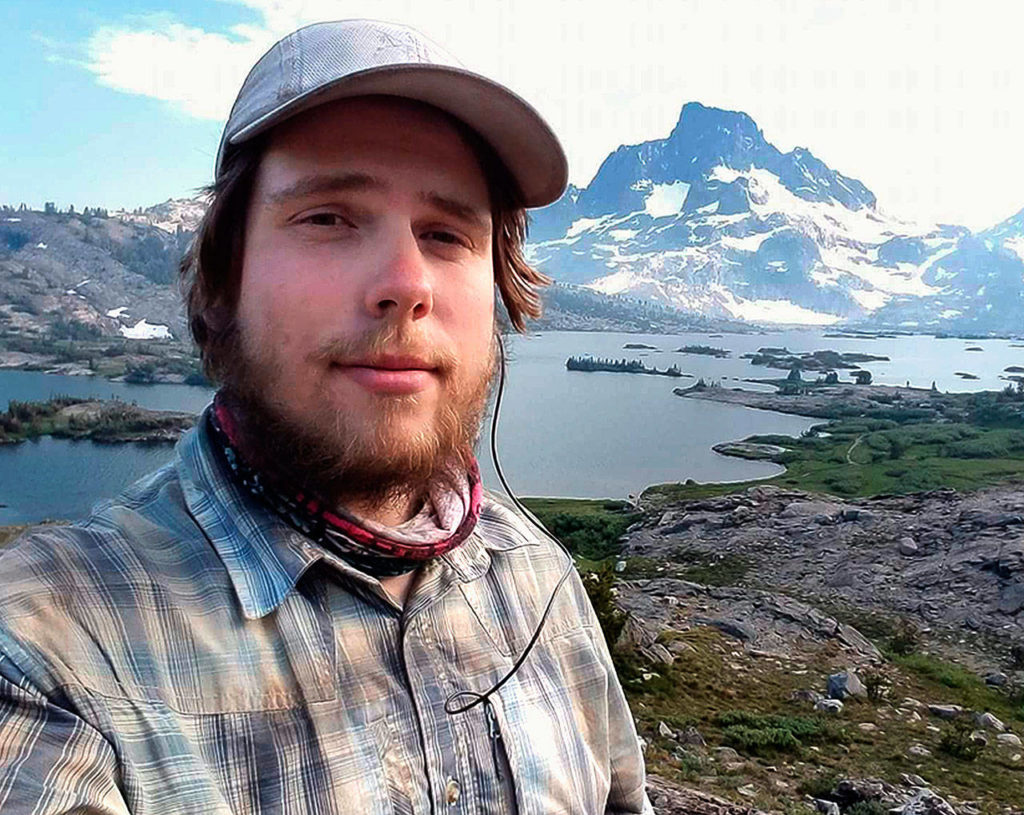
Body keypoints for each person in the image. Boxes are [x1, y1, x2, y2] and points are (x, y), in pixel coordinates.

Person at [0, 19, 651, 814]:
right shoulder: (45, 650)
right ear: (218, 282)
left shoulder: (536, 577)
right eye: (329, 217)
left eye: (447, 234)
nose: (407, 282)